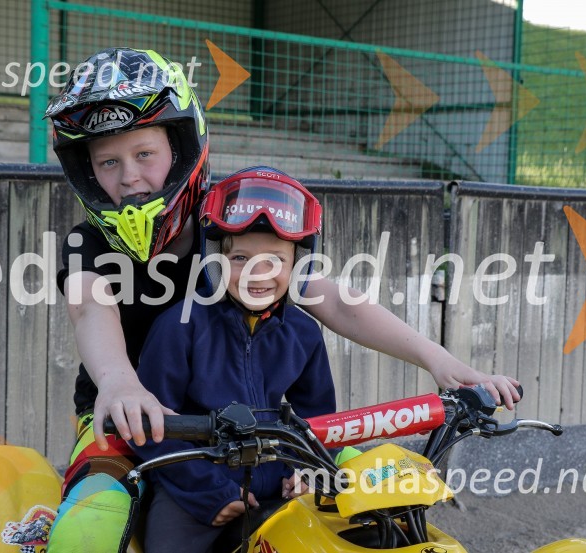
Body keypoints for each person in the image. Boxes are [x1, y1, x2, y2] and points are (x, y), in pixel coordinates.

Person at [45, 47, 520, 551]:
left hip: (253, 422)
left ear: (181, 147)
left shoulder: (227, 223)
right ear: (87, 169)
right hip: (129, 419)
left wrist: (437, 358)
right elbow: (88, 305)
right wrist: (118, 383)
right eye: (108, 162)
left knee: (380, 483)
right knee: (90, 524)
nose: (129, 176)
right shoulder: (88, 242)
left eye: (145, 154)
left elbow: (335, 301)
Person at [135, 167, 335, 553]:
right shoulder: (180, 325)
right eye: (240, 257)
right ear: (215, 259)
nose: (257, 274)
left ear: (298, 262)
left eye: (275, 260)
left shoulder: (304, 333)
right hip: (191, 492)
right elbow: (148, 426)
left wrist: (304, 472)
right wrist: (210, 493)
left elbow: (319, 422)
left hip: (278, 487)